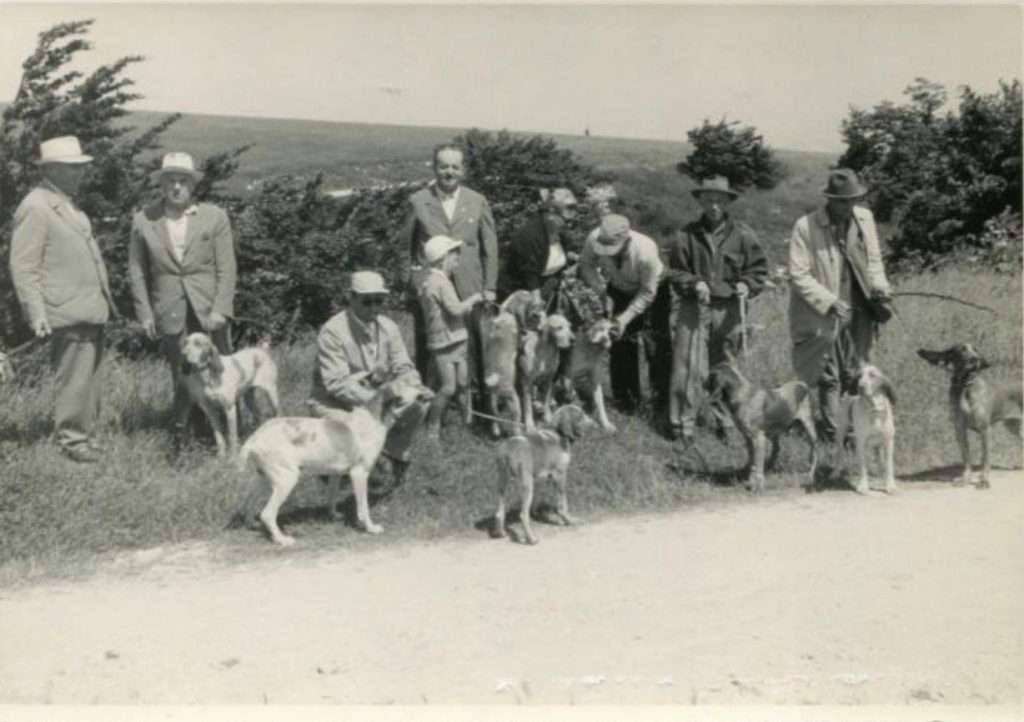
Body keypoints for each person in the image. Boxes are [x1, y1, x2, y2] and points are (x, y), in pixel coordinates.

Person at [9, 136, 116, 463]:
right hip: (65, 308)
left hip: (89, 308)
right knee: (73, 377)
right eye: (72, 168)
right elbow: (24, 265)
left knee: (90, 378)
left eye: (81, 168)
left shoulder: (67, 203)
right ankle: (72, 440)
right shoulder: (36, 206)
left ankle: (85, 435)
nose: (80, 174)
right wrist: (36, 311)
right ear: (52, 170)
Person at [128, 151, 238, 439]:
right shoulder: (144, 219)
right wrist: (145, 312)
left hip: (208, 309)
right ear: (161, 185)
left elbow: (227, 268)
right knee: (181, 373)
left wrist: (221, 309)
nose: (176, 187)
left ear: (193, 185)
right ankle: (183, 435)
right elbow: (137, 270)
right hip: (169, 310)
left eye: (183, 181)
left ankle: (223, 434)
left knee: (218, 370)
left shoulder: (214, 217)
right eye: (170, 181)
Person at [788, 168, 893, 441]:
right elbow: (798, 274)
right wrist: (828, 301)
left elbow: (874, 262)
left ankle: (858, 429)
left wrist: (881, 290)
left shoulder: (865, 219)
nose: (849, 206)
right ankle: (835, 433)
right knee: (828, 373)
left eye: (853, 200)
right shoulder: (805, 226)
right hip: (825, 312)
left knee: (859, 371)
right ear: (829, 199)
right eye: (842, 201)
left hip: (861, 307)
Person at [666, 176, 768, 441]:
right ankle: (682, 426)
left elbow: (758, 270)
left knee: (724, 367)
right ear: (700, 201)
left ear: (727, 202)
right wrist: (695, 281)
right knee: (687, 366)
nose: (713, 206)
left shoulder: (744, 234)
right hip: (693, 306)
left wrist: (747, 284)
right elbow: (675, 272)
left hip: (729, 308)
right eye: (708, 200)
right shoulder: (686, 234)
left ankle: (726, 422)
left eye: (719, 201)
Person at [398, 144, 498, 395]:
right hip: (430, 286)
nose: (449, 172)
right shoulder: (418, 201)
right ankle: (427, 398)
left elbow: (490, 247)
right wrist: (410, 284)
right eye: (443, 166)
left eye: (455, 166)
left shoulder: (477, 201)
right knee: (430, 343)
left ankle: (474, 400)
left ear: (463, 170)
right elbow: (403, 247)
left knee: (473, 343)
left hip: (469, 284)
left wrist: (489, 286)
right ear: (434, 168)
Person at [309, 271, 428, 479]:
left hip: (375, 400)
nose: (374, 307)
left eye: (379, 301)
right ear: (351, 298)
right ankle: (336, 465)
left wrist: (416, 386)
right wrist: (378, 399)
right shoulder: (332, 331)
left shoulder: (389, 327)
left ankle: (392, 454)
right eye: (367, 301)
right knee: (352, 430)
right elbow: (336, 384)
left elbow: (404, 366)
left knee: (419, 403)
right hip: (334, 404)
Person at [578, 213, 672, 414]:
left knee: (654, 346)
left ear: (627, 239)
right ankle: (626, 400)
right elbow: (586, 264)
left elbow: (648, 292)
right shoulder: (594, 237)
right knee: (619, 341)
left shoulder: (645, 252)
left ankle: (661, 403)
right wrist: (601, 291)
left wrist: (625, 318)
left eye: (613, 250)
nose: (609, 254)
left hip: (652, 289)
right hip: (618, 288)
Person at [418, 235, 484, 438]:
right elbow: (455, 310)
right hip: (446, 342)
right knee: (448, 388)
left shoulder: (432, 280)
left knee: (463, 384)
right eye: (454, 256)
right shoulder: (440, 283)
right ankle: (433, 425)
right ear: (442, 258)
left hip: (454, 339)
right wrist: (474, 299)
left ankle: (467, 423)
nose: (457, 260)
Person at [497, 186, 578, 305]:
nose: (568, 225)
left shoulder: (560, 232)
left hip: (545, 290)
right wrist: (537, 302)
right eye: (565, 220)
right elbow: (529, 272)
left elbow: (558, 254)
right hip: (518, 293)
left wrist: (577, 258)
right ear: (550, 214)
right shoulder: (529, 235)